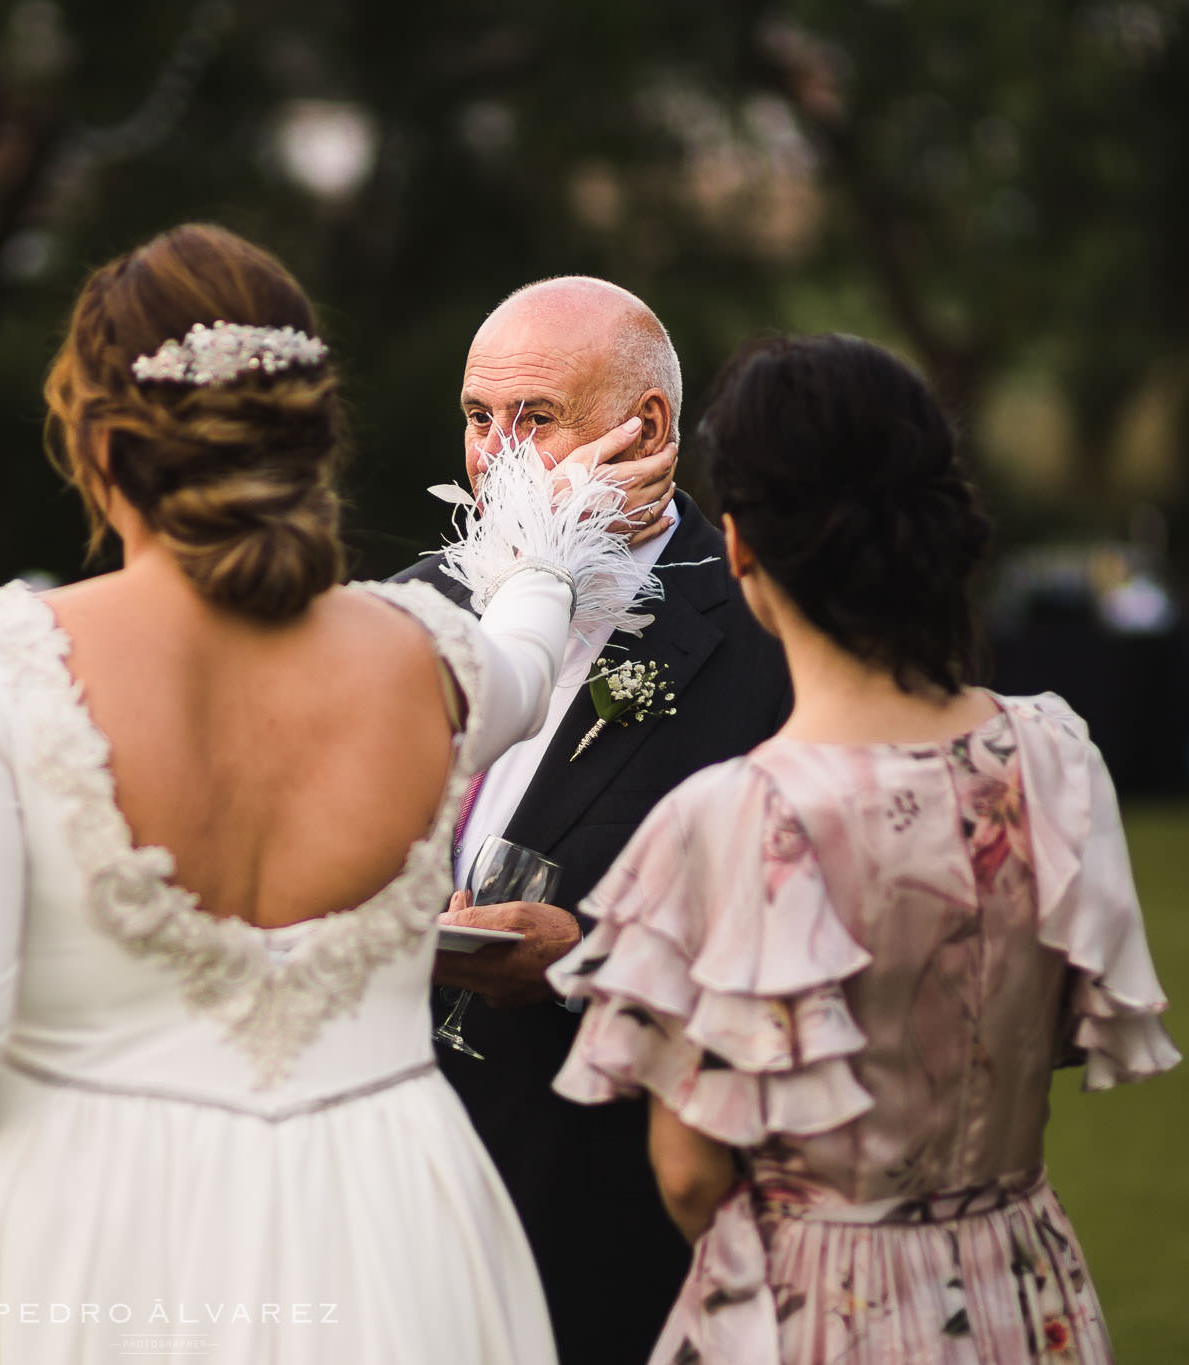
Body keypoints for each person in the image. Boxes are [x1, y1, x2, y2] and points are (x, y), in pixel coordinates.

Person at [0, 224, 659, 1363]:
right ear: (308, 437)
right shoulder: (426, 656)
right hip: (389, 1229)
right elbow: (528, 647)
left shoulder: (13, 659)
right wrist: (554, 521)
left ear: (100, 443)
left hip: (102, 1242)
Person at [549, 332, 1180, 1364]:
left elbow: (688, 1172)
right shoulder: (1053, 755)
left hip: (817, 1309)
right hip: (1025, 1290)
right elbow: (1053, 1034)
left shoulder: (733, 821)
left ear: (740, 543)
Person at [390, 276, 793, 1365]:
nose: (495, 455)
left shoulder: (765, 637)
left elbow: (807, 942)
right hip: (397, 1196)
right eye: (478, 419)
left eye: (534, 418)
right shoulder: (410, 603)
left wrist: (593, 958)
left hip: (615, 1216)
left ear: (647, 427)